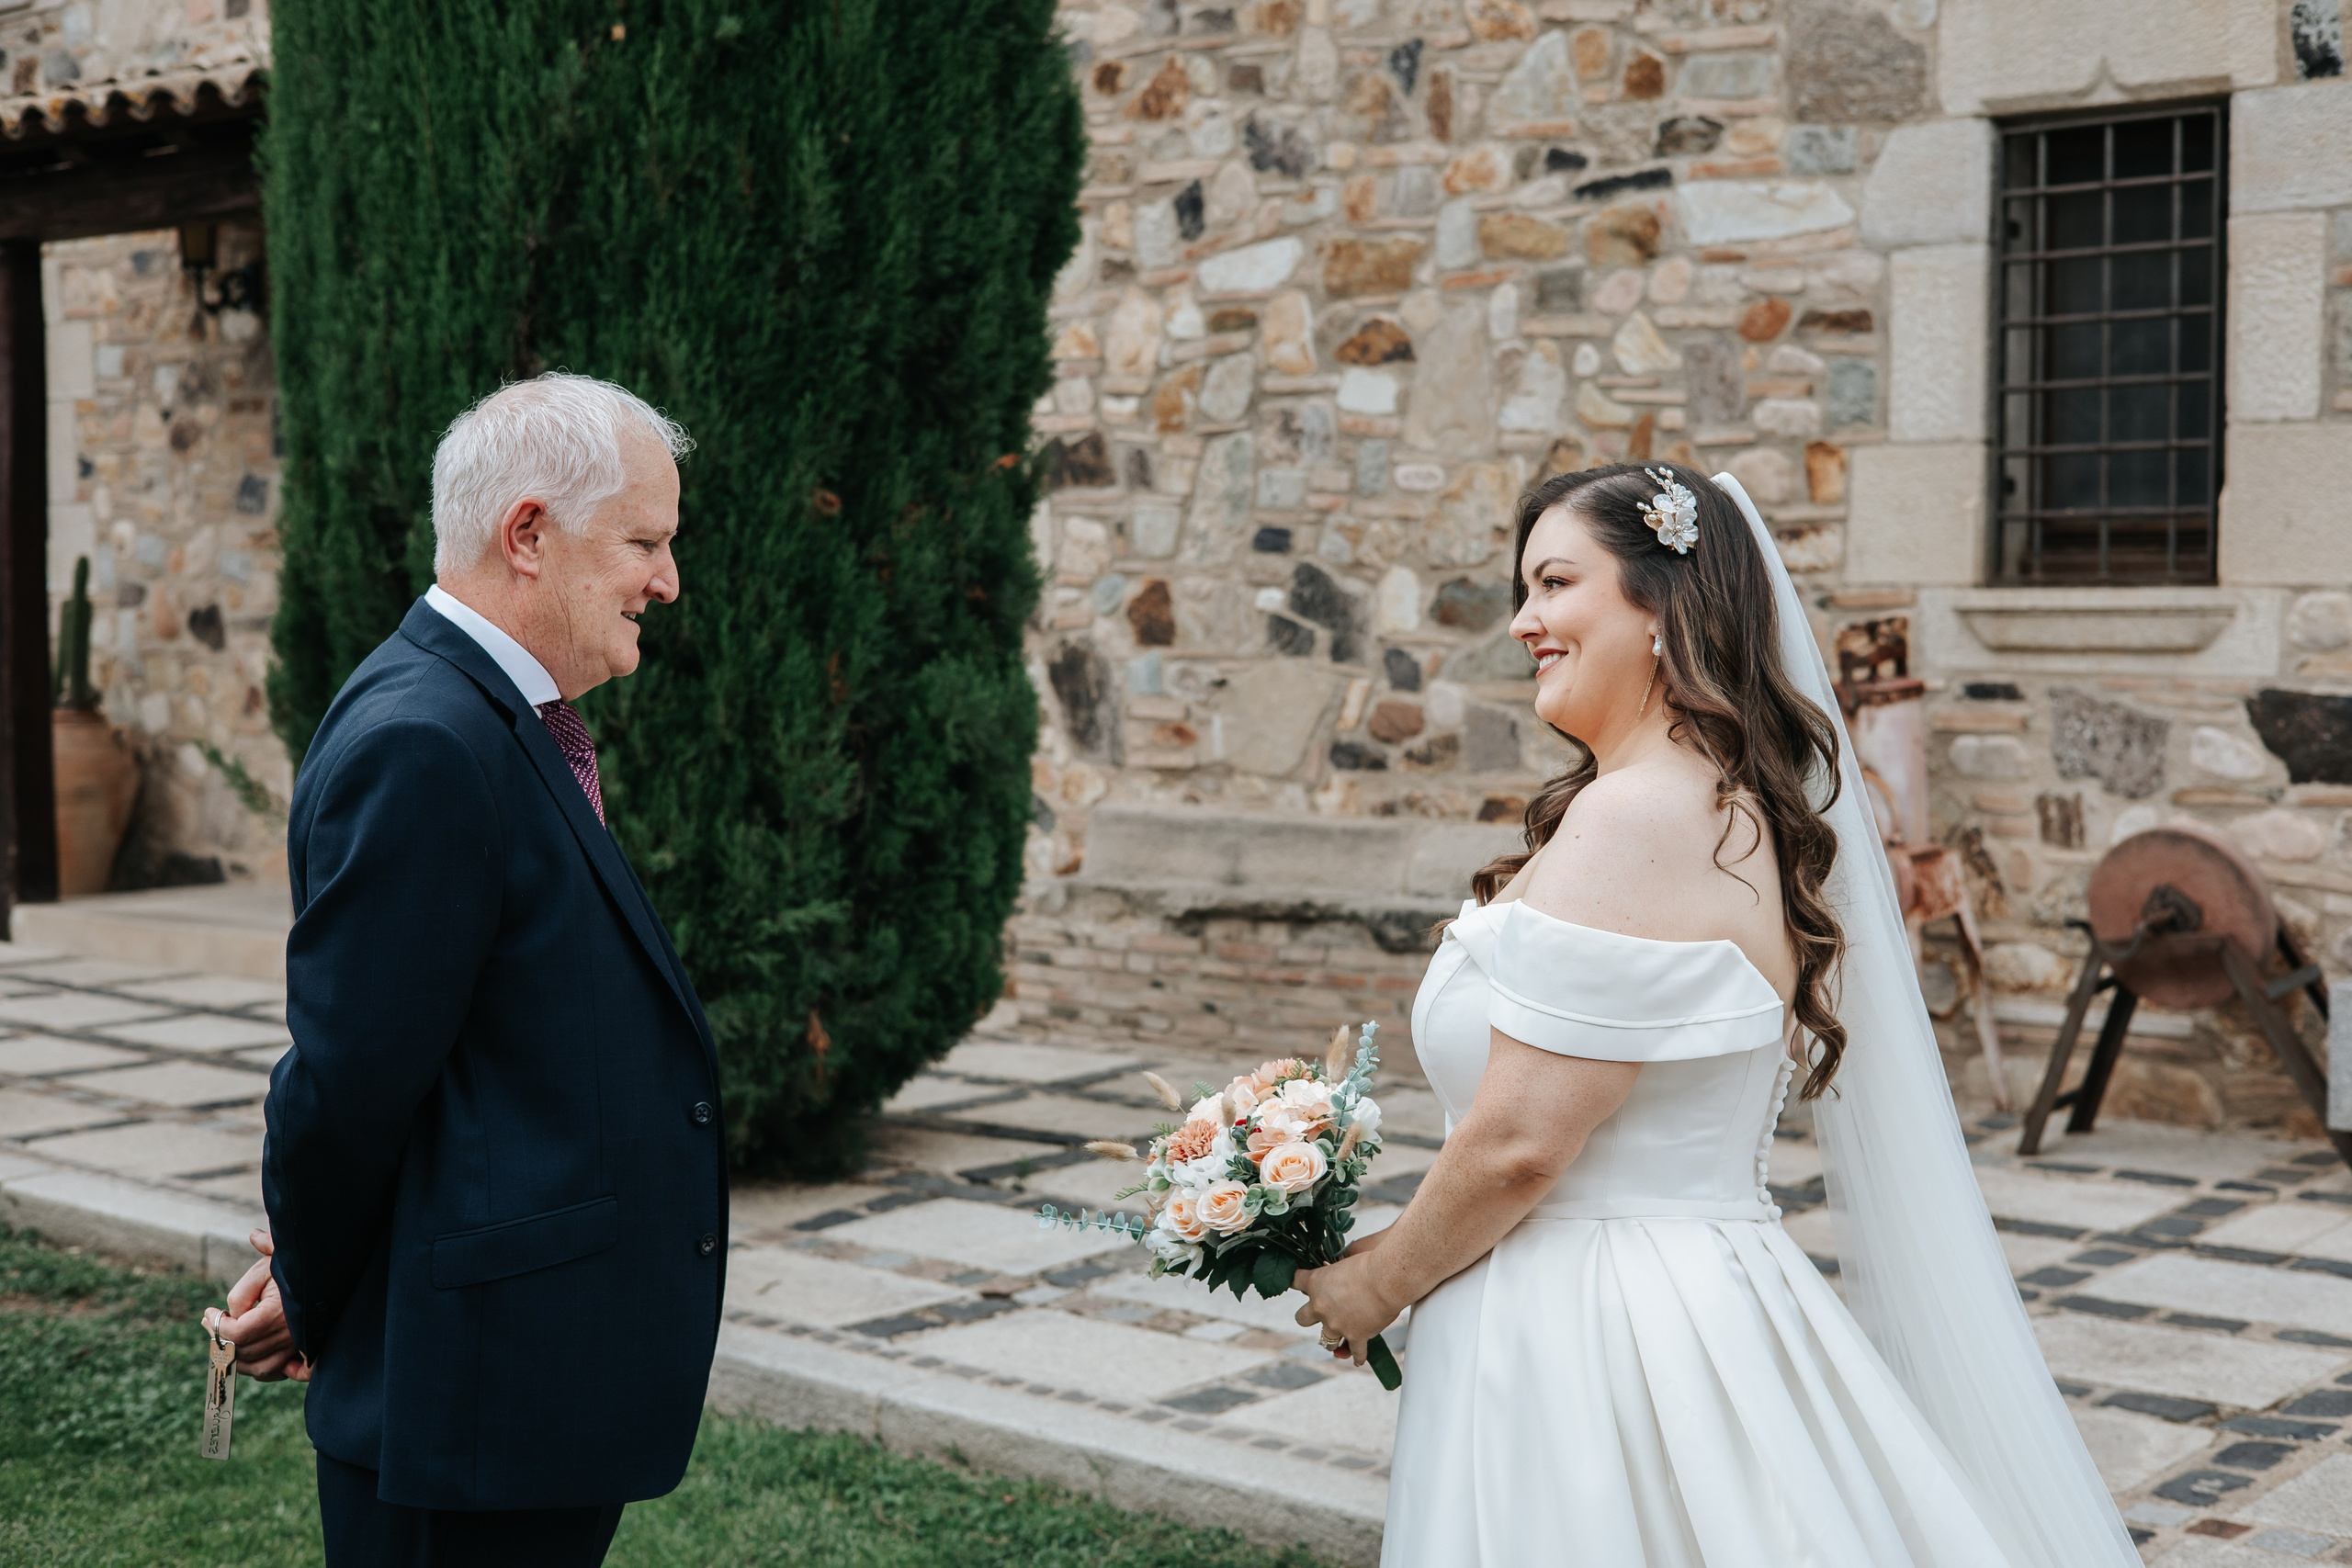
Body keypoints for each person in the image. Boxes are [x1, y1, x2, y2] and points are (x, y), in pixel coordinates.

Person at [1293, 464, 2138, 1567]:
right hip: (1685, 1298)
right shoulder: (1706, 800)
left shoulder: (1634, 814)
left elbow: (1519, 1142)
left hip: (1594, 1332)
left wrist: (1376, 1281)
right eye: (1524, 588)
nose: (1522, 620)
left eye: (1555, 583)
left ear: (1662, 607)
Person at [205, 373, 727, 1568]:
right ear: (530, 533)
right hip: (471, 1404)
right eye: (645, 541)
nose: (668, 579)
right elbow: (347, 1080)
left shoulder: (492, 712)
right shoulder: (426, 739)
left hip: (522, 1388)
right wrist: (318, 1284)